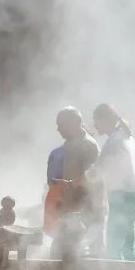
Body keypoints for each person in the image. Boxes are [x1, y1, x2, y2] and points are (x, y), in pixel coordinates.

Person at [89, 103, 135, 270]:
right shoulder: (127, 136)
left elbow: (96, 171)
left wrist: (73, 183)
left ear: (106, 119)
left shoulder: (114, 140)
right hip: (132, 198)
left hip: (120, 199)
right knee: (129, 249)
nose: (95, 127)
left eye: (97, 122)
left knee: (113, 251)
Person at [44, 107, 103, 256]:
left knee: (84, 256)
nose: (58, 129)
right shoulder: (64, 148)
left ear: (73, 123)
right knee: (60, 254)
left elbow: (93, 179)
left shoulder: (88, 146)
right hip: (67, 210)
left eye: (61, 124)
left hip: (83, 212)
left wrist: (71, 190)